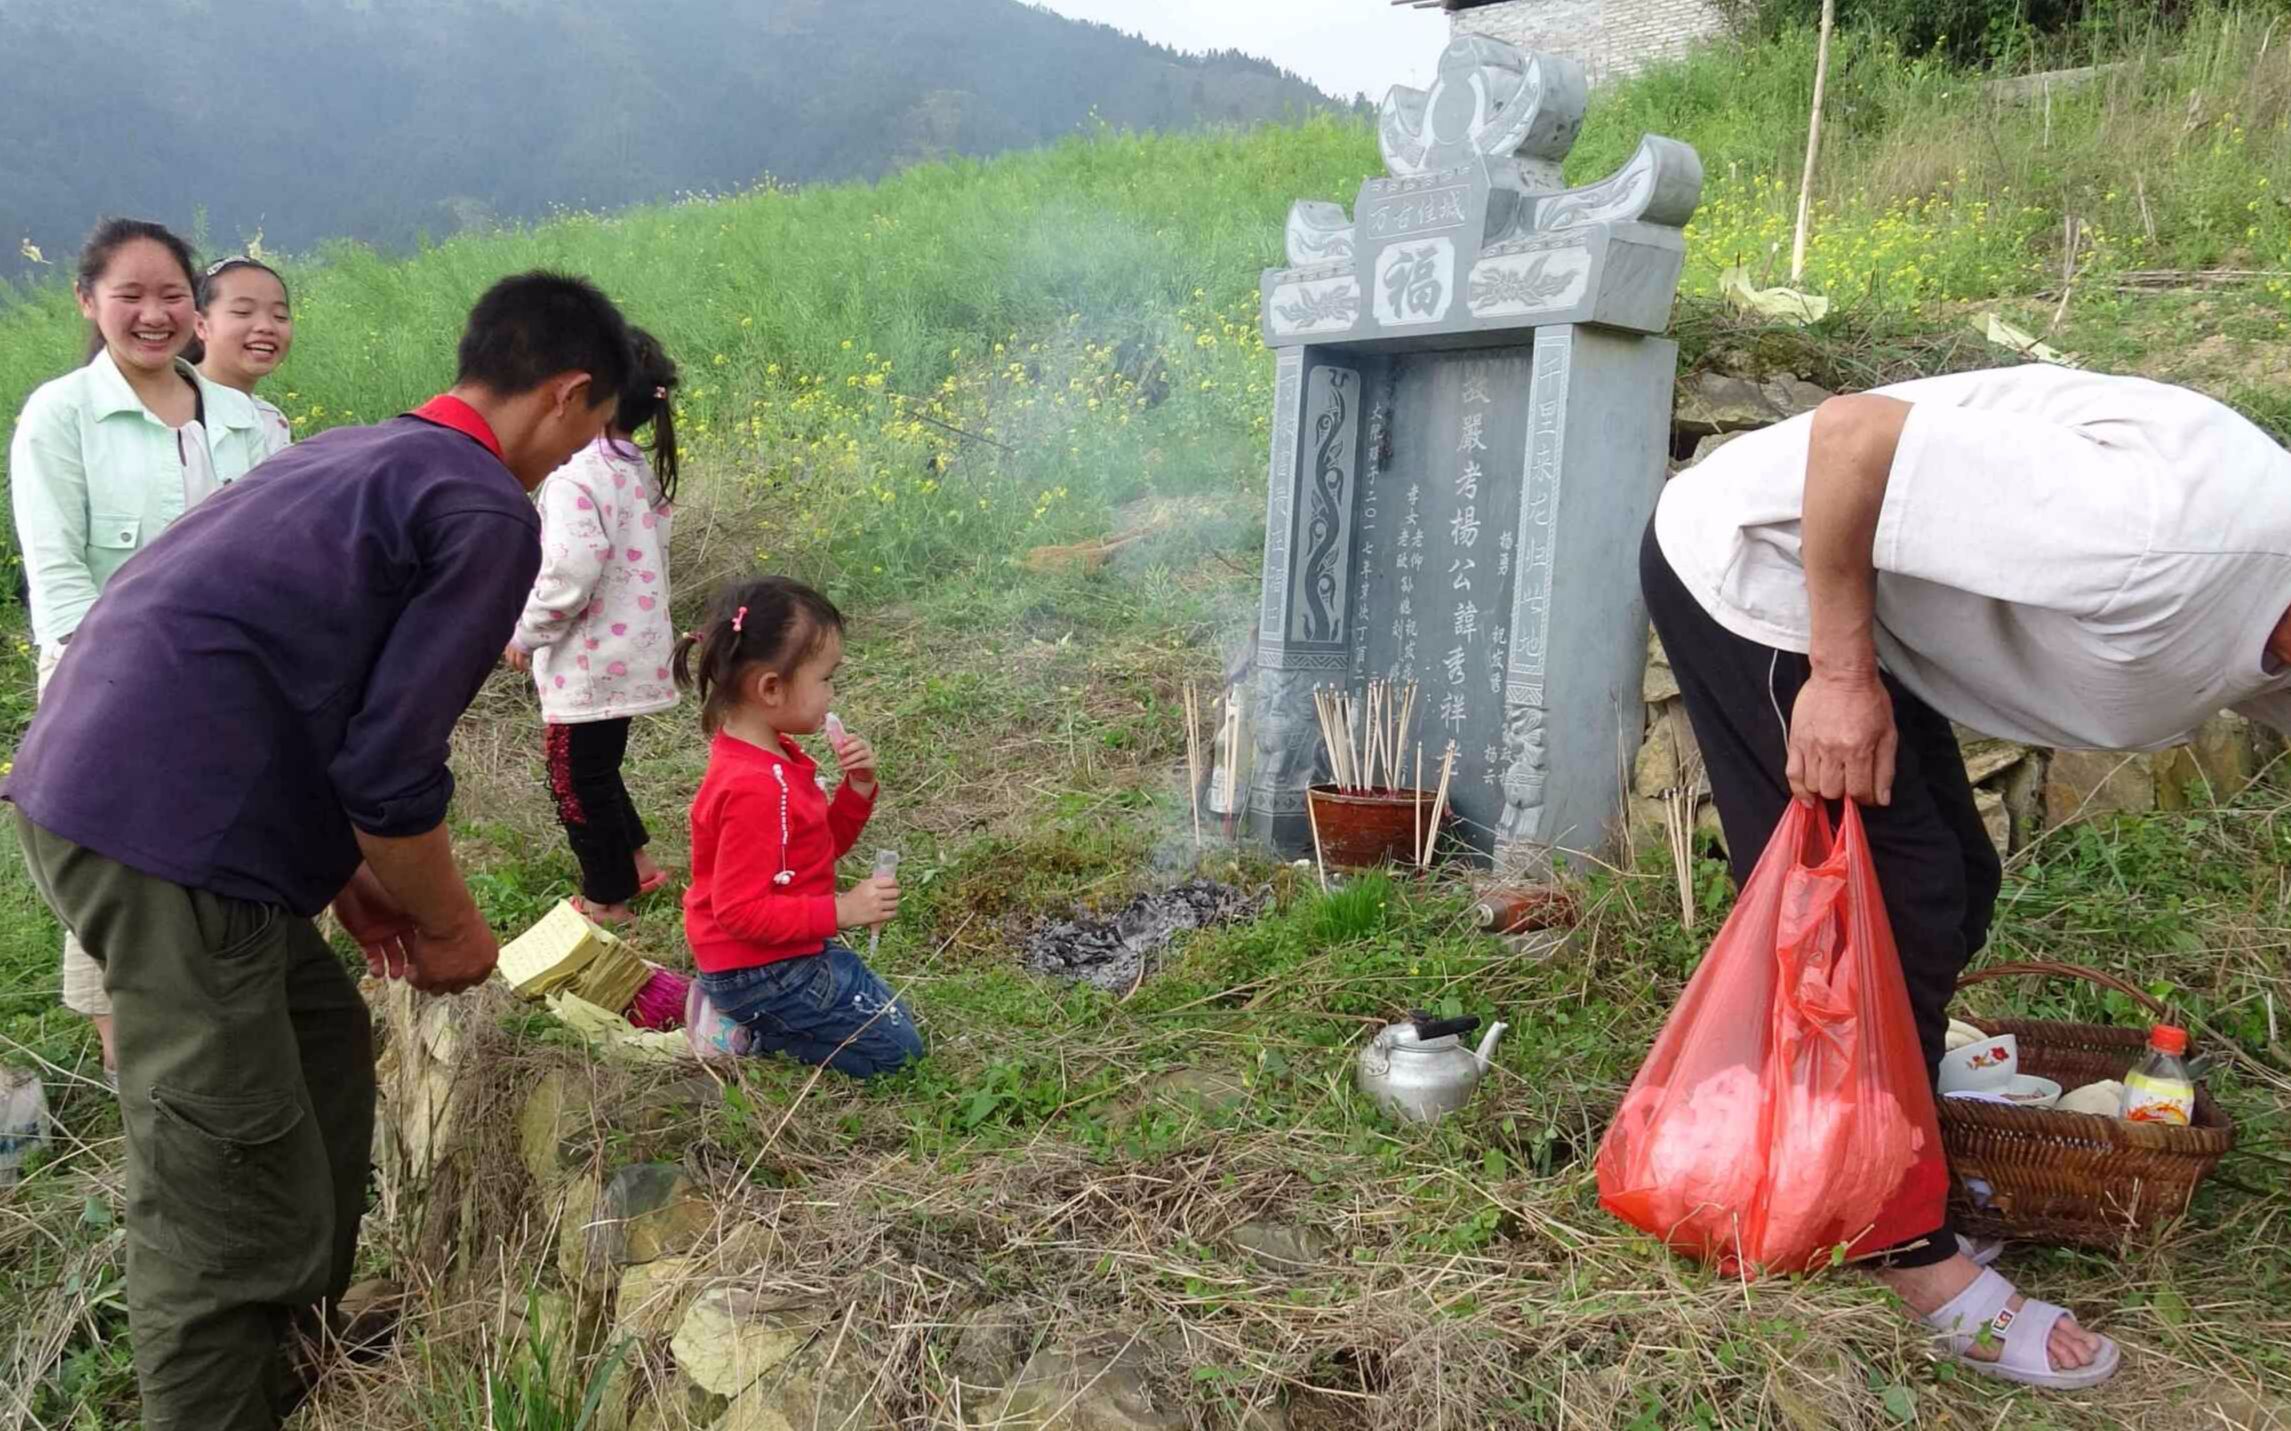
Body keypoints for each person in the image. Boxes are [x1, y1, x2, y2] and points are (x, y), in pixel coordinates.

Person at [6, 270, 635, 1429]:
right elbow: (390, 773)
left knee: (319, 1041)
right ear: (568, 394)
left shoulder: (364, 453)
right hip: (166, 834)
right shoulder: (487, 508)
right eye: (593, 432)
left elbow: (304, 697)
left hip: (102, 785)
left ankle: (298, 1353)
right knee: (221, 1184)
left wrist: (349, 880)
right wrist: (451, 927)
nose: (578, 457)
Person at [1645, 361, 2291, 1391]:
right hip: (1756, 568)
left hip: (1877, 606)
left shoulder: (2271, 621)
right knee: (1878, 915)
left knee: (1953, 887)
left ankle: (1831, 1140)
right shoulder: (2164, 538)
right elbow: (1851, 439)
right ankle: (1889, 1240)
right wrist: (1840, 675)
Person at [8, 218, 280, 1086]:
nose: (153, 314)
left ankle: (225, 1058)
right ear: (90, 301)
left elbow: (283, 562)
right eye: (130, 295)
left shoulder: (247, 421)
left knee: (226, 877)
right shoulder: (60, 415)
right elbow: (57, 579)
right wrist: (122, 699)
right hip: (107, 700)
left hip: (231, 697)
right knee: (118, 898)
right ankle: (141, 1087)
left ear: (193, 312)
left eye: (171, 295)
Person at [676, 576, 925, 1079]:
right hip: (757, 969)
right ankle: (742, 1031)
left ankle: (770, 1001)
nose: (832, 692)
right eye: (827, 678)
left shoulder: (772, 758)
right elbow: (739, 912)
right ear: (771, 687)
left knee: (878, 1005)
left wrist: (857, 789)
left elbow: (816, 849)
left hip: (774, 954)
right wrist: (841, 910)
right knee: (898, 1050)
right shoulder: (755, 788)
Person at [505, 328, 683, 925]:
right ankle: (634, 862)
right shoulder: (636, 468)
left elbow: (566, 577)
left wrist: (524, 636)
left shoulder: (575, 475)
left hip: (586, 666)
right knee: (598, 773)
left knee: (573, 780)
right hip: (632, 651)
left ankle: (607, 897)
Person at [191, 255, 297, 456]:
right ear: (200, 325)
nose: (266, 327)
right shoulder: (171, 409)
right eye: (243, 312)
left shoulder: (272, 421)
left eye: (280, 316)